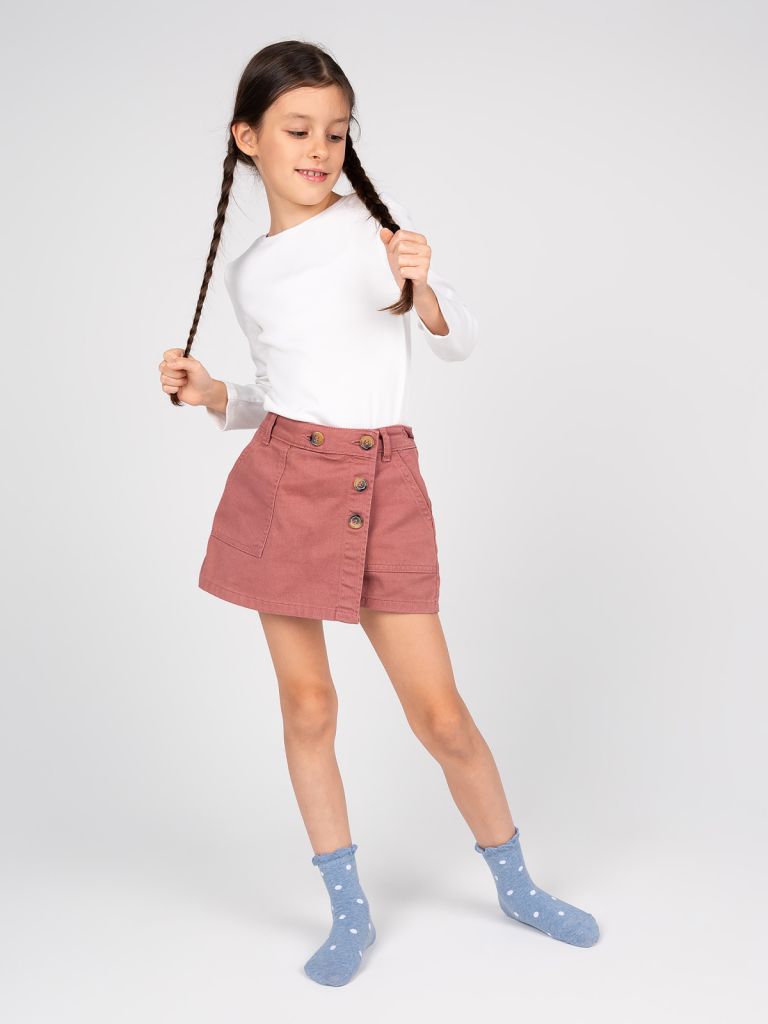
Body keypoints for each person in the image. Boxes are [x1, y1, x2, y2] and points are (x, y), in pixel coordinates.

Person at [158, 40, 599, 988]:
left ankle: (517, 884)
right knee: (309, 705)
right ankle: (348, 913)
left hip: (380, 485)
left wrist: (424, 287)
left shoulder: (373, 232)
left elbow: (456, 341)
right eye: (297, 130)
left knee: (440, 714)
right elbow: (287, 396)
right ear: (248, 139)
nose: (319, 148)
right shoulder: (249, 274)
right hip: (285, 484)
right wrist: (216, 396)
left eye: (335, 131)